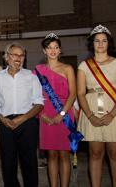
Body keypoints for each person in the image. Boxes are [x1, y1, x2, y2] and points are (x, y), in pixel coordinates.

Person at [77, 25, 116, 187]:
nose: (100, 44)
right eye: (97, 41)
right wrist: (90, 116)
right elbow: (80, 93)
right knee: (95, 153)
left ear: (109, 43)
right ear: (91, 44)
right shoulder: (84, 66)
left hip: (115, 111)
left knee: (115, 154)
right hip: (91, 112)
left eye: (104, 40)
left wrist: (112, 114)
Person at [0, 43, 44, 187]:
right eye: (15, 55)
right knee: (8, 164)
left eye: (22, 55)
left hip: (27, 122)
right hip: (5, 123)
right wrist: (2, 118)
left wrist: (23, 118)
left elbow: (39, 103)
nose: (19, 58)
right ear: (7, 57)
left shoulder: (31, 76)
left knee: (29, 163)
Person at [34, 33, 77, 187]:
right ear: (44, 51)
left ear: (60, 50)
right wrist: (41, 114)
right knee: (51, 155)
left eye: (56, 47)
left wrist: (62, 114)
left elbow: (73, 94)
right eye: (49, 47)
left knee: (64, 154)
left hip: (65, 112)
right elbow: (33, 95)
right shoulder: (38, 70)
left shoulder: (68, 68)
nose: (53, 50)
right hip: (45, 113)